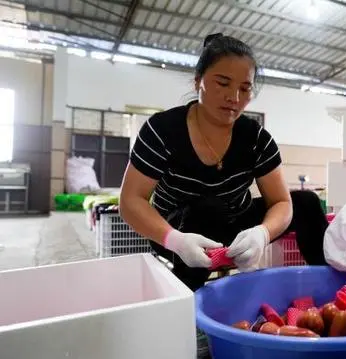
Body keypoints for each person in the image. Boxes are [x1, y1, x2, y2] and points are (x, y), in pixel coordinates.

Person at [119, 33, 328, 292]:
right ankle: (188, 305)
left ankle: (327, 287)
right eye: (223, 83)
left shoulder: (255, 138)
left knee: (306, 204)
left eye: (244, 88)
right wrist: (174, 240)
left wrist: (262, 232)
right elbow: (130, 200)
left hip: (235, 221)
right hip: (179, 231)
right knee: (206, 207)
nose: (234, 97)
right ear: (198, 81)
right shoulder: (162, 130)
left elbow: (282, 203)